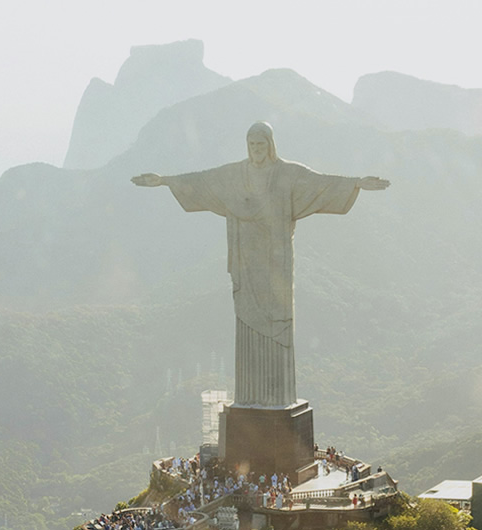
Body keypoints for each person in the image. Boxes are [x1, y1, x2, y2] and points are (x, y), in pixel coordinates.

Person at [132, 122, 389, 406]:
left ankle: (277, 399)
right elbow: (203, 181)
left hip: (276, 263)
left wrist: (356, 183)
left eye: (261, 144)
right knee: (247, 319)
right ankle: (250, 398)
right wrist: (165, 180)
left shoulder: (287, 174)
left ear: (270, 145)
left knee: (278, 319)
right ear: (247, 146)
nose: (256, 150)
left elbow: (320, 183)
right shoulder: (235, 175)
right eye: (252, 144)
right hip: (246, 261)